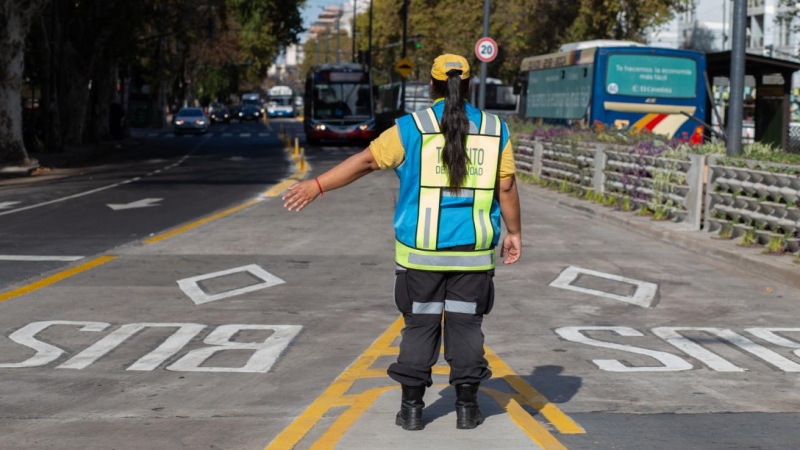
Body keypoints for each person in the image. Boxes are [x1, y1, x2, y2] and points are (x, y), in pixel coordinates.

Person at [283, 54, 521, 431]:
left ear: (431, 86)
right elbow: (505, 186)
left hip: (419, 256)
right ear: (469, 86)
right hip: (473, 256)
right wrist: (514, 232)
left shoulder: (411, 128)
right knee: (466, 327)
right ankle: (466, 408)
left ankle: (411, 409)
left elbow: (364, 162)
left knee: (419, 326)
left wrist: (316, 185)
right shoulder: (495, 129)